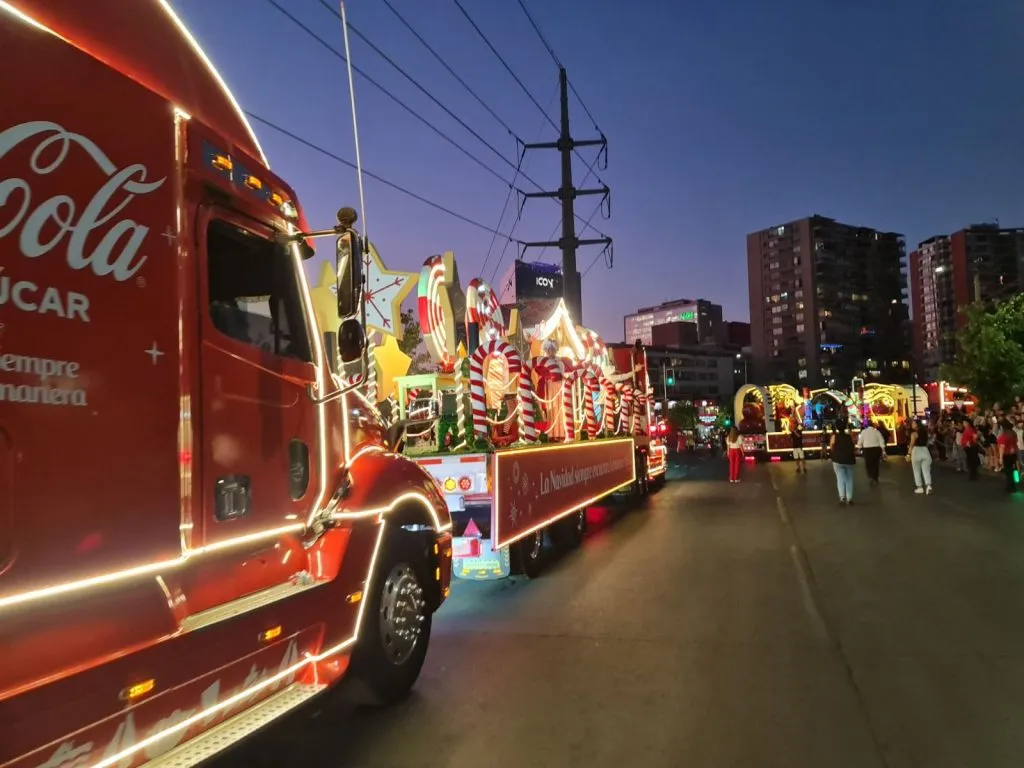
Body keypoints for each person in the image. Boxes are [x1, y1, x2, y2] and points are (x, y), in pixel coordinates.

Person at [830, 421, 856, 505]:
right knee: (849, 479)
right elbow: (853, 445)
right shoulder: (849, 436)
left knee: (840, 479)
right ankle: (849, 498)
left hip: (838, 460)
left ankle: (842, 497)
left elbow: (831, 447)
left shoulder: (834, 436)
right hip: (849, 460)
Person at [907, 421, 933, 494]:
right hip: (925, 451)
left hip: (916, 451)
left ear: (917, 425)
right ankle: (928, 486)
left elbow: (912, 444)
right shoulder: (925, 432)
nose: (912, 424)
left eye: (913, 423)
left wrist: (908, 454)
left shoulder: (914, 434)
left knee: (916, 470)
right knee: (926, 470)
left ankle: (919, 487)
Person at [857, 420, 886, 485]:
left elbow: (860, 441)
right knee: (876, 463)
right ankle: (875, 477)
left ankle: (870, 476)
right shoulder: (877, 432)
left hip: (867, 450)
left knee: (868, 464)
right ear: (873, 425)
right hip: (876, 449)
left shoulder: (864, 432)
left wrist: (859, 448)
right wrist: (883, 450)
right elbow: (881, 440)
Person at [997, 419, 1019, 493]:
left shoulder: (1004, 436)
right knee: (1014, 469)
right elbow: (1016, 442)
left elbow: (1002, 447)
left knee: (1008, 471)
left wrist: (1000, 458)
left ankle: (1010, 487)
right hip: (1013, 454)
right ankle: (1016, 481)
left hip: (1007, 455)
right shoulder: (1013, 433)